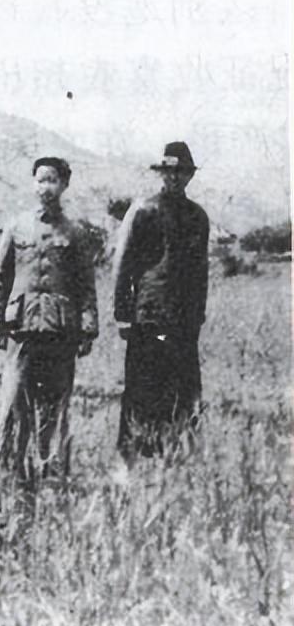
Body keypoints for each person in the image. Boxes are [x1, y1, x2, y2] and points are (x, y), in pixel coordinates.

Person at [0, 157, 98, 488]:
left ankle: (50, 474)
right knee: (13, 401)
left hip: (61, 332)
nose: (45, 187)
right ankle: (10, 473)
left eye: (52, 180)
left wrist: (88, 328)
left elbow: (85, 285)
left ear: (64, 185)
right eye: (40, 180)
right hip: (21, 329)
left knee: (55, 405)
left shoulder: (75, 232)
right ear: (32, 184)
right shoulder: (16, 226)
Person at [112, 141, 209, 461]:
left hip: (183, 320)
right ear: (161, 174)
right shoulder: (143, 210)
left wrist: (198, 315)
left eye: (181, 172)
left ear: (189, 176)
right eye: (169, 171)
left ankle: (177, 457)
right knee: (142, 387)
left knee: (183, 390)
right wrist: (123, 313)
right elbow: (123, 263)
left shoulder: (198, 217)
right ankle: (132, 459)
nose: (174, 178)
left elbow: (201, 271)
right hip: (148, 316)